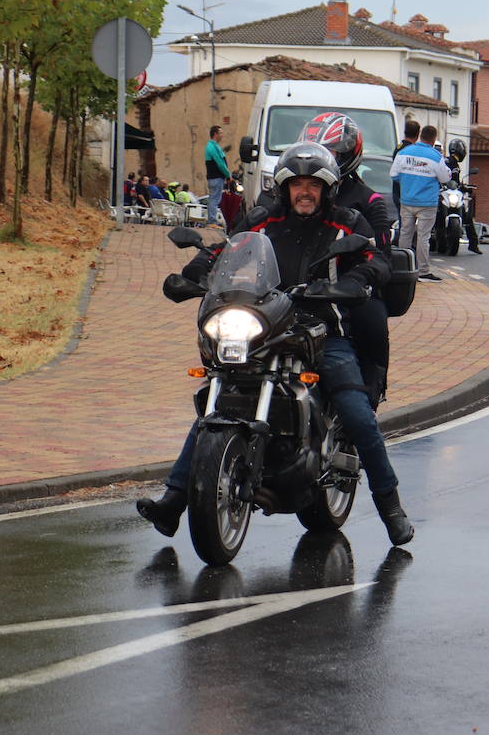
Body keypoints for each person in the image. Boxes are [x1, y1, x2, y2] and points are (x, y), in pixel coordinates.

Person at [136, 142, 414, 546]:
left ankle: (391, 507)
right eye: (297, 184)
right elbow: (225, 249)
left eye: (313, 185)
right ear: (284, 188)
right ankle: (175, 500)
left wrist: (359, 280)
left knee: (357, 414)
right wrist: (196, 271)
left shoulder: (346, 223)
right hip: (267, 325)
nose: (305, 192)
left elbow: (378, 258)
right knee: (220, 396)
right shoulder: (264, 220)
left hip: (323, 331)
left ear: (327, 189)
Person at [297, 112, 394, 404]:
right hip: (294, 285)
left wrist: (358, 280)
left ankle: (371, 389)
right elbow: (254, 233)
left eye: (331, 152)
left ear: (349, 154)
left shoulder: (368, 201)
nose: (324, 158)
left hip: (346, 291)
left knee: (372, 317)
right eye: (317, 150)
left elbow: (382, 257)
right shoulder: (290, 193)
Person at [391, 124, 450, 281]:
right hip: (427, 203)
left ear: (420, 136)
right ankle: (423, 271)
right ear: (433, 139)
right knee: (423, 237)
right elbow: (445, 178)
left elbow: (394, 175)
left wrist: (408, 181)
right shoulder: (436, 156)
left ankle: (402, 267)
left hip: (407, 200)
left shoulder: (404, 152)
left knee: (405, 233)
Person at [204, 124, 231, 228]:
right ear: (215, 134)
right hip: (216, 178)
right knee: (214, 200)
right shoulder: (213, 147)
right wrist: (228, 175)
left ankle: (212, 221)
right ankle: (212, 222)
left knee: (214, 199)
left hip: (215, 178)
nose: (222, 135)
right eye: (220, 133)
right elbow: (220, 163)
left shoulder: (213, 146)